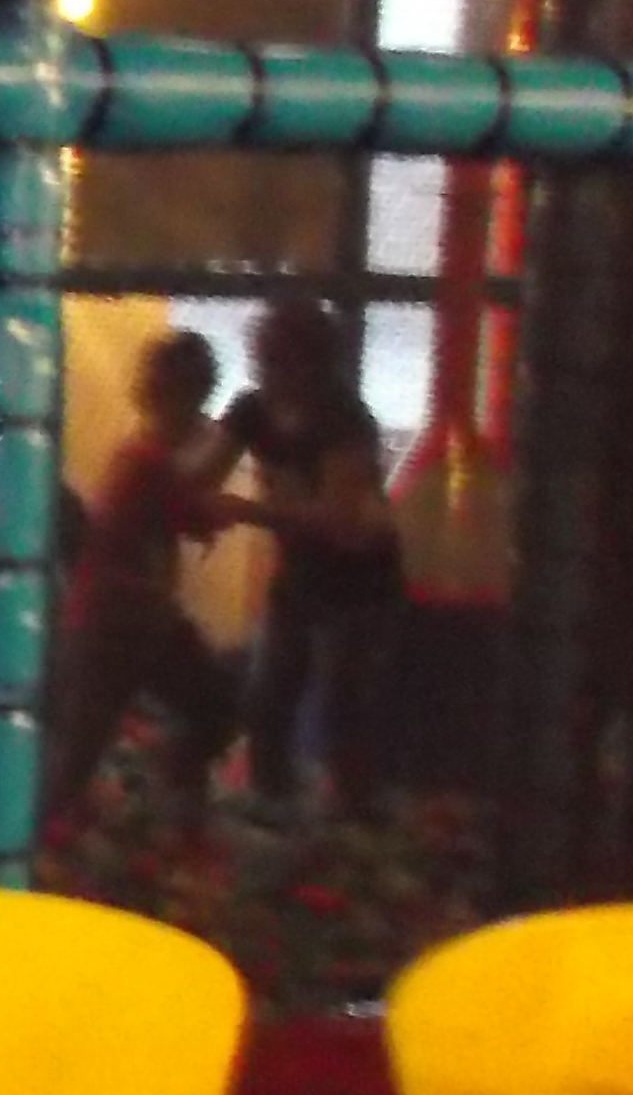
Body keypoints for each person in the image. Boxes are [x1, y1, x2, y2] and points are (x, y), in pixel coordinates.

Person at [212, 289, 407, 818]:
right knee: (268, 696)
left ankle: (353, 810)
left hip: (361, 581)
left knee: (345, 704)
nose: (265, 369)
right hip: (302, 574)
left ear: (309, 362)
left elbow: (343, 522)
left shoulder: (344, 419)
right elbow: (202, 469)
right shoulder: (251, 409)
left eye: (276, 358)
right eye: (262, 357)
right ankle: (272, 799)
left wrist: (251, 512)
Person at [44, 328, 243, 826]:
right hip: (121, 622)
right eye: (197, 402)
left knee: (202, 709)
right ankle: (167, 804)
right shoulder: (147, 462)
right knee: (85, 747)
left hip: (125, 620)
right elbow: (198, 514)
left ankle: (174, 807)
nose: (200, 417)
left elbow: (184, 512)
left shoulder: (140, 455)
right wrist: (246, 499)